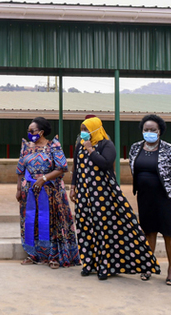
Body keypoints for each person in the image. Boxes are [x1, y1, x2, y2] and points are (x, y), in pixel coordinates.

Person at [70, 117, 160, 281]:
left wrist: (91, 150)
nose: (83, 133)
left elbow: (105, 164)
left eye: (86, 129)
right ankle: (89, 263)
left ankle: (105, 266)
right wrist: (73, 187)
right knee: (85, 227)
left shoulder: (106, 145)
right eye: (82, 129)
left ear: (95, 129)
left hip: (102, 194)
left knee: (103, 229)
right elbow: (76, 168)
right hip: (84, 194)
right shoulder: (79, 146)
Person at [129, 114, 171, 286]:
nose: (149, 133)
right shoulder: (135, 148)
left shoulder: (170, 150)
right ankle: (148, 265)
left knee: (170, 233)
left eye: (153, 130)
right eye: (146, 130)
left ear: (160, 131)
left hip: (166, 198)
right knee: (149, 232)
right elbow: (134, 168)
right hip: (145, 197)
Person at [16, 117, 79, 269]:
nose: (30, 134)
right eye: (28, 131)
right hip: (30, 192)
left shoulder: (53, 146)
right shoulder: (26, 147)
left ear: (41, 132)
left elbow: (62, 167)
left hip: (51, 192)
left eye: (32, 131)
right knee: (31, 222)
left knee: (51, 223)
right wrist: (19, 189)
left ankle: (53, 256)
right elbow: (20, 169)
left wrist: (43, 179)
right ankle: (33, 254)